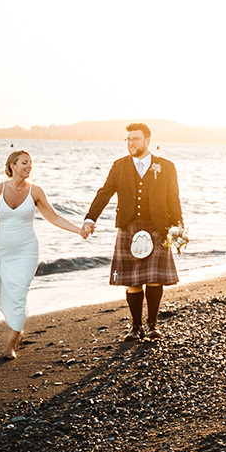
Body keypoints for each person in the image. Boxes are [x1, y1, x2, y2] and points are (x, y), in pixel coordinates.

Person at [80, 122, 183, 340]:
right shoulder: (119, 166)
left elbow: (173, 199)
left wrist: (178, 226)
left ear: (147, 141)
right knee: (132, 281)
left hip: (158, 227)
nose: (130, 143)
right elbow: (104, 193)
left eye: (135, 139)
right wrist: (90, 218)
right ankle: (136, 327)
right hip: (129, 226)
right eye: (128, 139)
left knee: (155, 279)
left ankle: (153, 325)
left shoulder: (166, 166)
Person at [0, 149, 84, 358]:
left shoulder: (35, 191)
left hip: (27, 251)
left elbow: (53, 217)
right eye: (24, 162)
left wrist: (79, 230)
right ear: (13, 166)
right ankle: (18, 329)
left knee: (18, 294)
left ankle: (10, 343)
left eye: (30, 163)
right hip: (3, 251)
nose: (29, 166)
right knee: (6, 293)